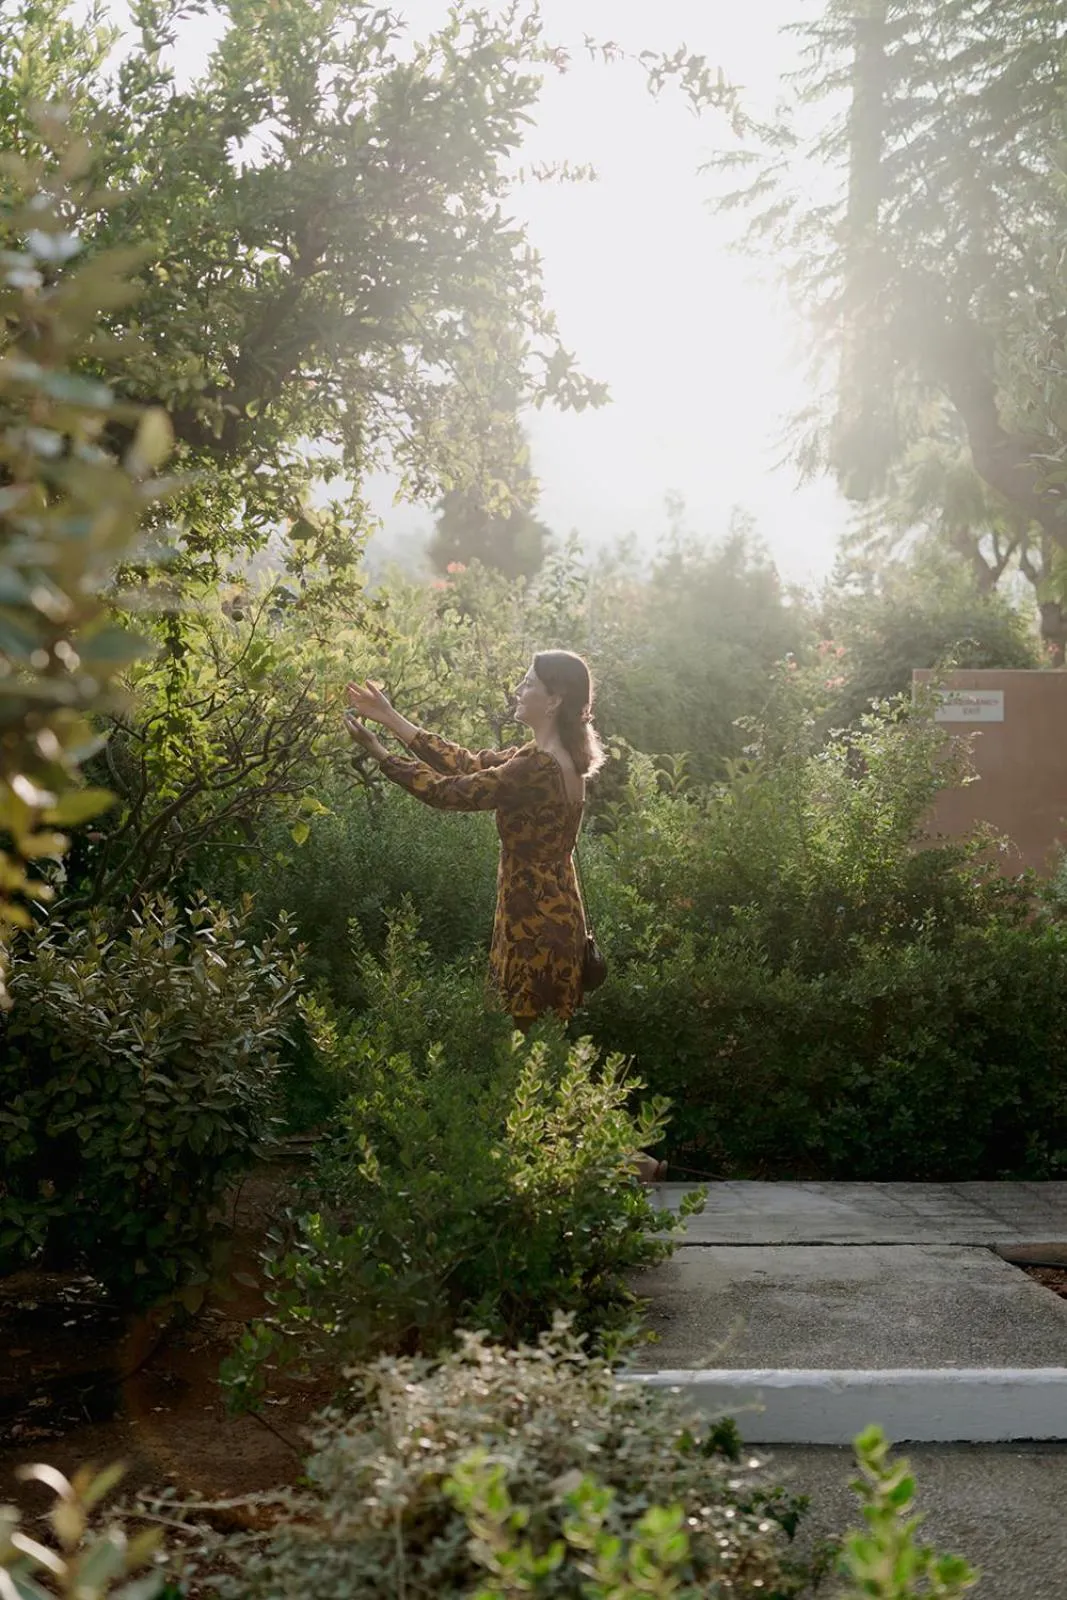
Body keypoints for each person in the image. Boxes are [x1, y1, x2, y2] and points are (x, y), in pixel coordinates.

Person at [342, 651, 667, 1182]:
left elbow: (450, 793)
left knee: (531, 1054)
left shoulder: (538, 767)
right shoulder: (545, 759)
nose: (518, 687)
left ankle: (608, 1164)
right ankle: (607, 1162)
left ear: (554, 699)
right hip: (550, 918)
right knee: (539, 1052)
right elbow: (467, 763)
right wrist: (392, 719)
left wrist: (379, 750)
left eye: (528, 682)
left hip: (534, 927)